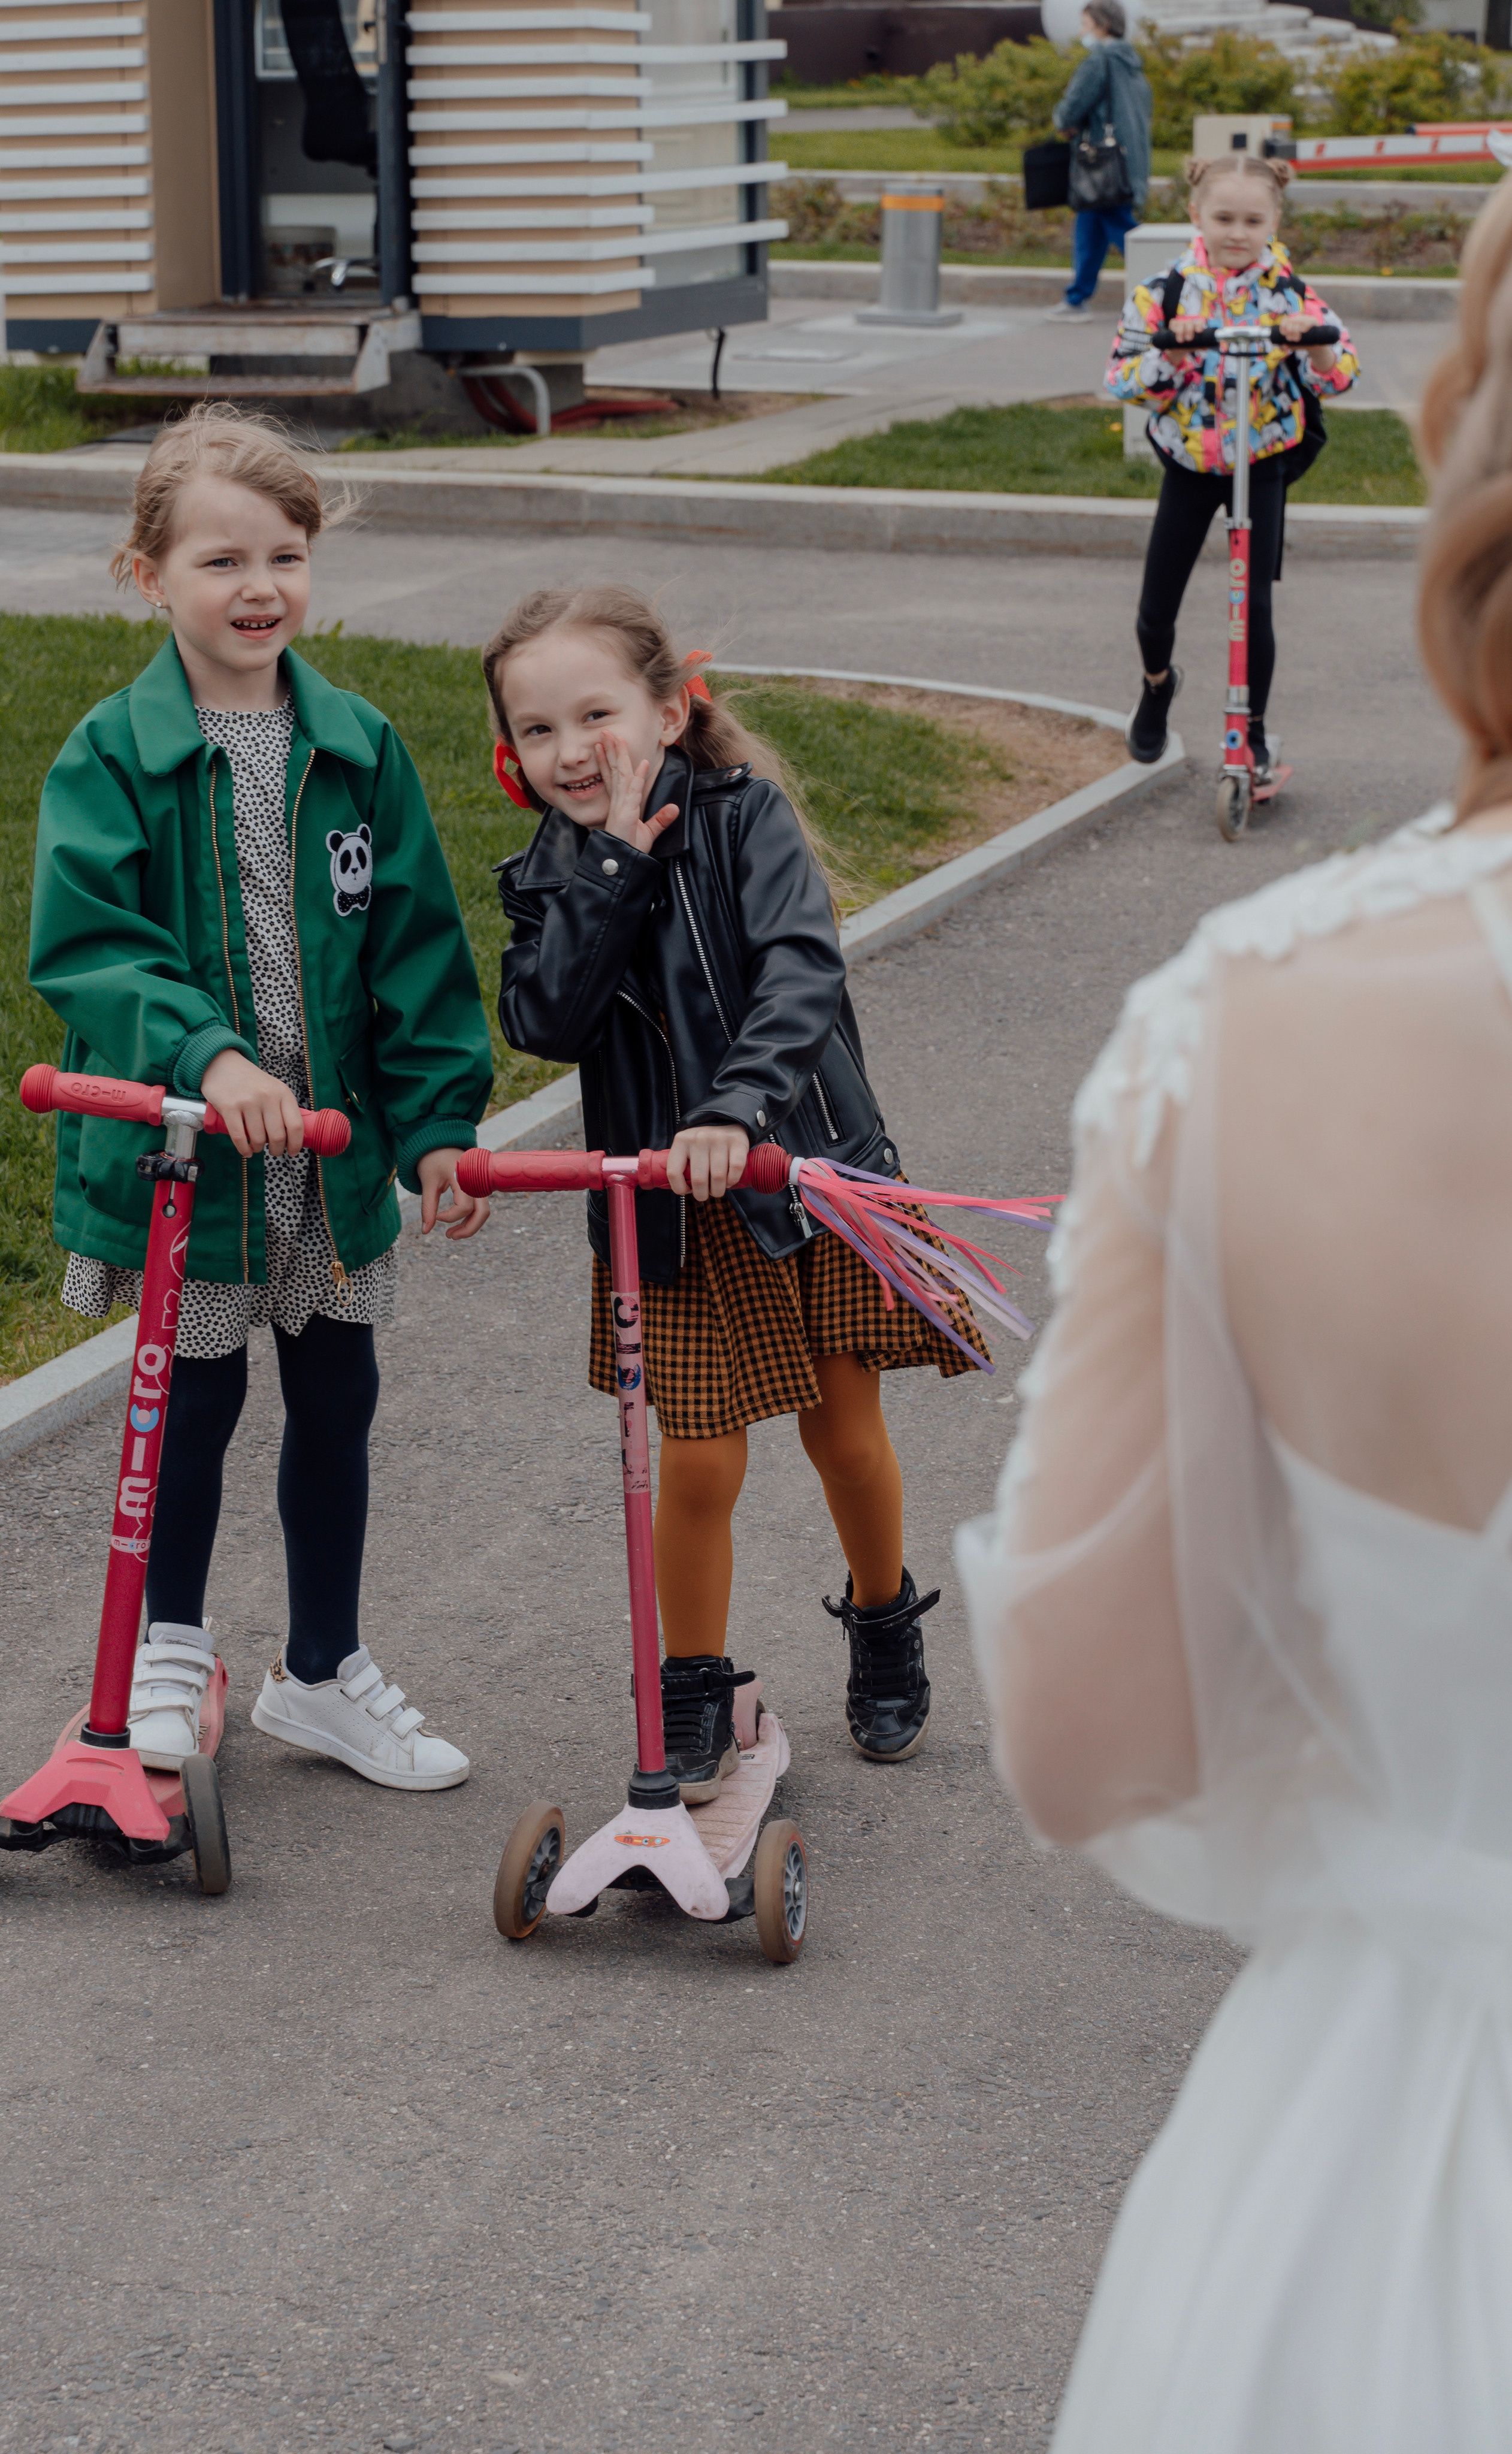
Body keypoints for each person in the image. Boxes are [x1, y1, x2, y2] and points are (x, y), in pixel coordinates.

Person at [958, 171, 1512, 2449]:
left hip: (1418, 2165)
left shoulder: (1260, 1029)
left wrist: (1403, 1749)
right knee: (1189, 575)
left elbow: (1095, 1733)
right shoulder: (1197, 303)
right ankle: (1161, 698)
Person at [30, 406, 494, 1792]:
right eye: (221, 560)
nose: (258, 588)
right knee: (195, 1401)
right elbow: (94, 946)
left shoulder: (353, 747)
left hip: (333, 1161)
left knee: (338, 1395)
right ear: (147, 574)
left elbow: (418, 952)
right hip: (197, 1164)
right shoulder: (113, 755)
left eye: (284, 556)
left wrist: (442, 1130)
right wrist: (206, 1054)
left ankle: (320, 1670)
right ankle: (170, 1648)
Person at [486, 584, 987, 1800]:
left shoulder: (744, 816)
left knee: (842, 1429)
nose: (571, 750)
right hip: (665, 1209)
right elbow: (543, 1016)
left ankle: (883, 1618)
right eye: (539, 730)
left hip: (799, 1173)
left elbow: (798, 973)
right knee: (698, 1461)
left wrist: (733, 1109)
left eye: (596, 714)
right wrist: (609, 862)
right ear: (512, 756)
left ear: (667, 707)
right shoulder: (553, 872)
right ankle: (692, 1683)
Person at [1111, 152, 1359, 778]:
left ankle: (1249, 733)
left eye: (1253, 220)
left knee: (1253, 608)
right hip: (1191, 463)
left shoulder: (1290, 294)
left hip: (1262, 463)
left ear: (1274, 221)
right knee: (1156, 606)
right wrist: (1178, 352)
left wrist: (1316, 350)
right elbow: (1122, 377)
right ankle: (1158, 684)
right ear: (1196, 215)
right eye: (1223, 217)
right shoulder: (1163, 293)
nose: (1237, 233)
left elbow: (1342, 369)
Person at [1045, 1, 1151, 322]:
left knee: (1125, 232)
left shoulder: (1099, 61)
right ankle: (1076, 297)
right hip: (1125, 160)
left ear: (1102, 25)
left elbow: (1072, 105)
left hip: (1100, 165)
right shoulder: (1132, 63)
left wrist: (1064, 121)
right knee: (1090, 227)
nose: (1081, 32)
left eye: (1085, 24)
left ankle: (1172, 286)